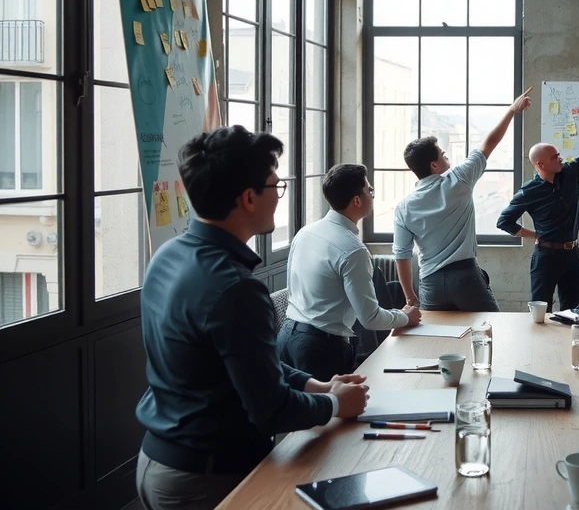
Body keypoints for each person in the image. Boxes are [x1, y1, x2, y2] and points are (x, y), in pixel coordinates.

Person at [135, 126, 370, 510]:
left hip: (157, 460)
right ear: (248, 198)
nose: (279, 198)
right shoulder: (235, 289)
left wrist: (320, 386)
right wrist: (336, 406)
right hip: (206, 477)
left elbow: (245, 365)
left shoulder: (168, 255)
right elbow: (271, 409)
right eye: (275, 187)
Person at [393, 87, 534, 311]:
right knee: (490, 330)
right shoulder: (459, 179)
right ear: (434, 165)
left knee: (434, 340)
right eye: (442, 153)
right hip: (466, 278)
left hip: (430, 283)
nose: (446, 155)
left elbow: (401, 255)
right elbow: (489, 143)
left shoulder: (402, 208)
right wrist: (511, 111)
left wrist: (410, 298)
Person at [279, 163, 421, 380]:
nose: (372, 196)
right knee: (333, 413)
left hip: (286, 338)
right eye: (370, 191)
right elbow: (370, 318)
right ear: (357, 200)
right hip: (320, 349)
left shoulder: (305, 232)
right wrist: (404, 317)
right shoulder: (352, 250)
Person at [497, 97, 579, 310]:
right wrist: (534, 235)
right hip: (545, 258)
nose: (560, 158)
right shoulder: (529, 191)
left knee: (572, 311)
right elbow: (504, 221)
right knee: (541, 312)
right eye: (555, 156)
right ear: (541, 164)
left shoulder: (570, 174)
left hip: (573, 254)